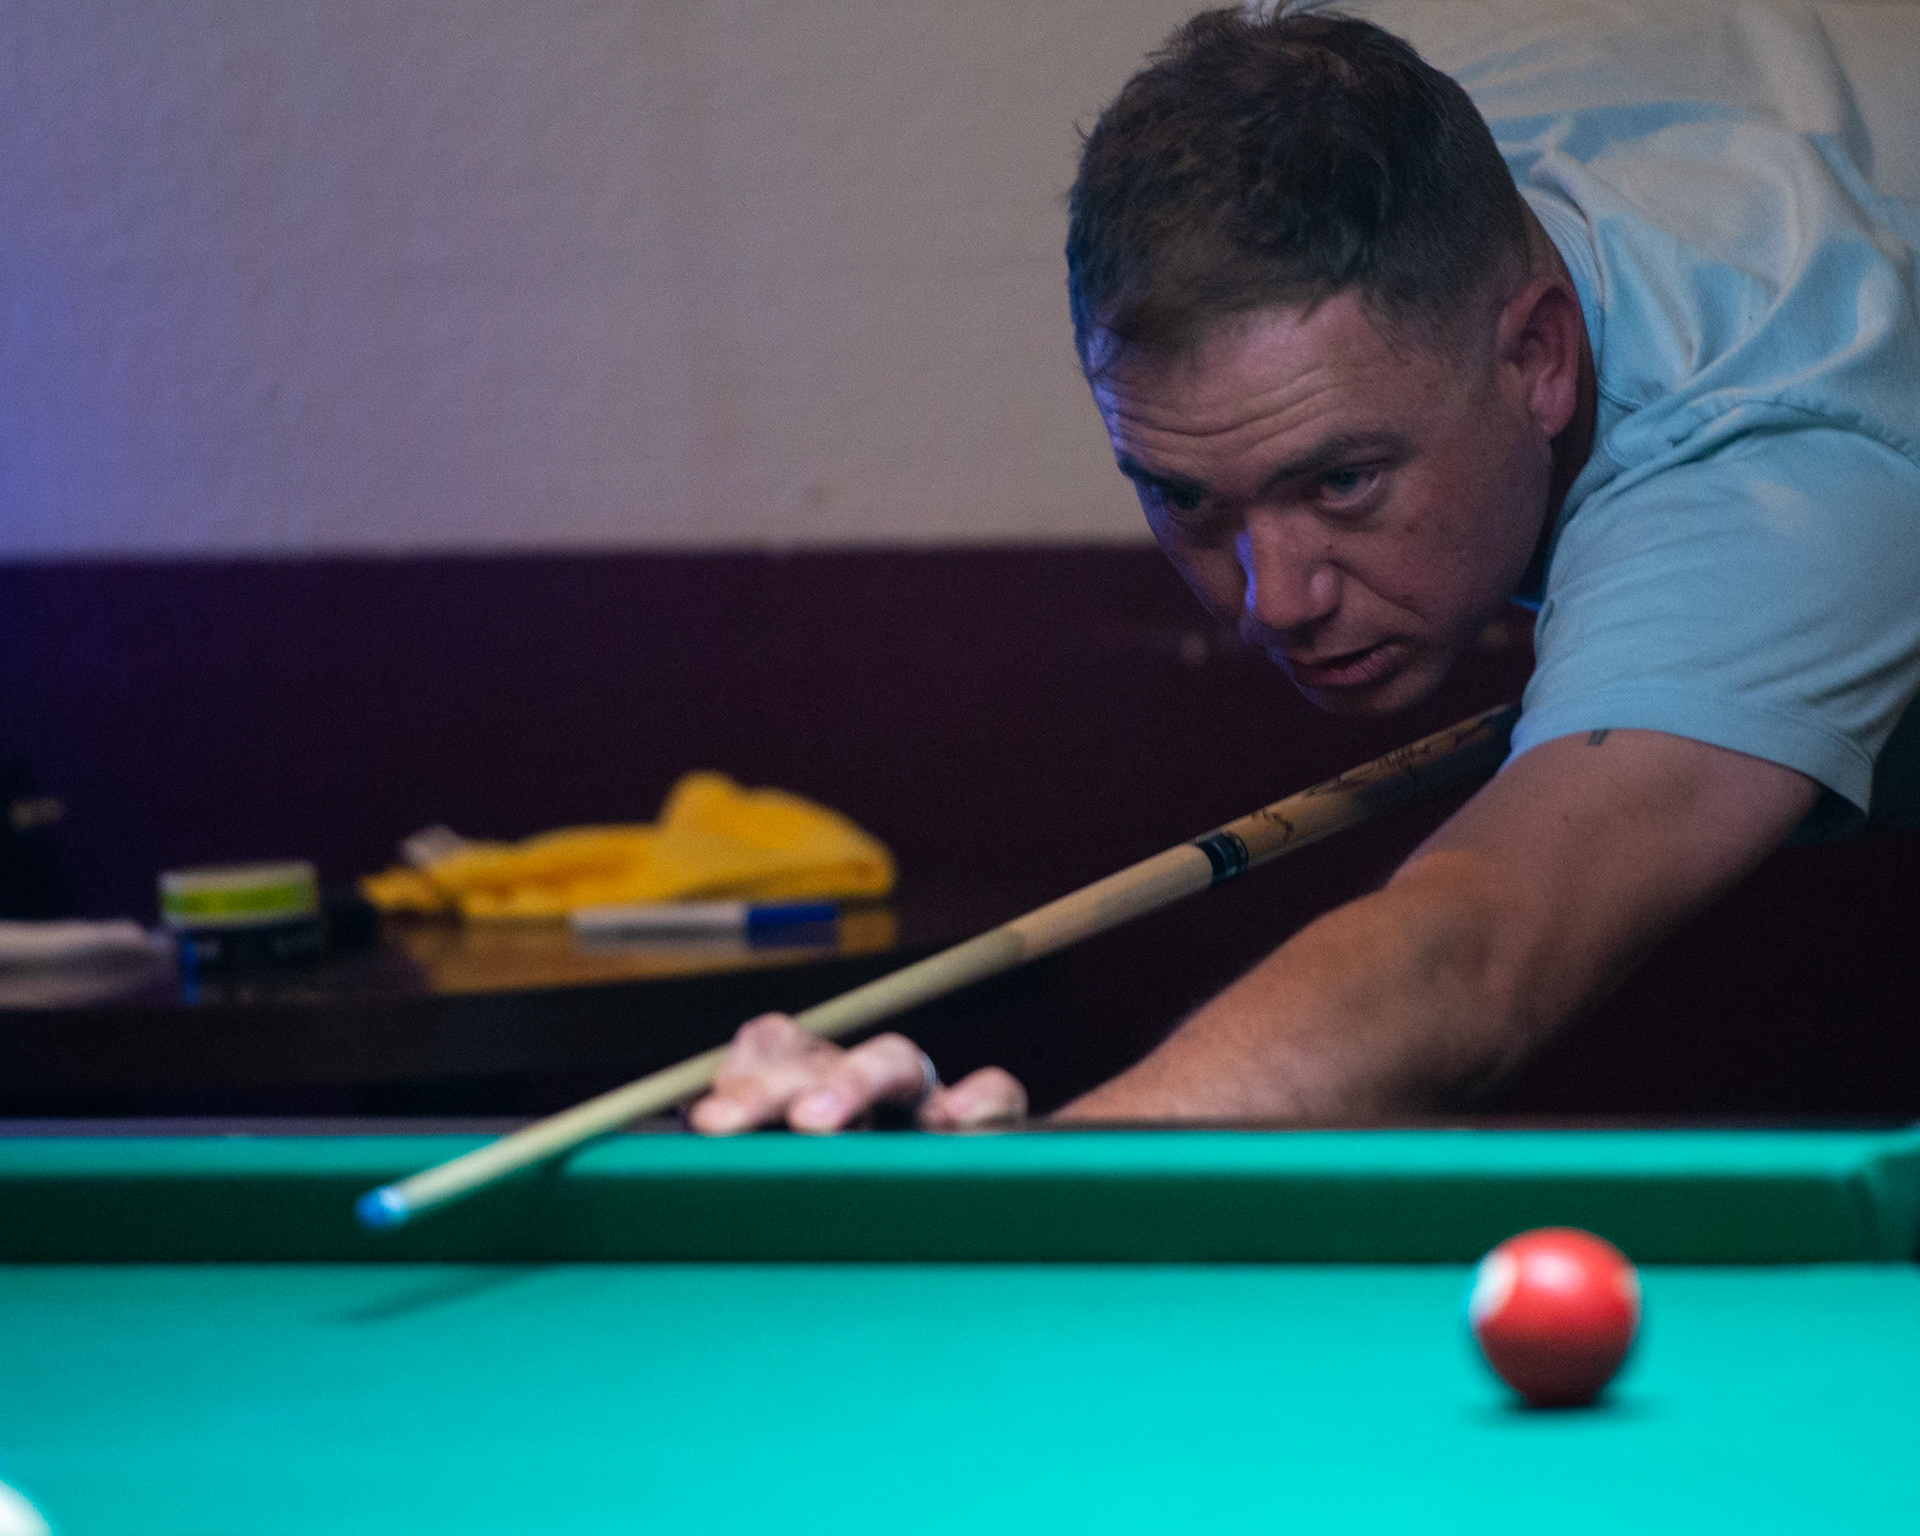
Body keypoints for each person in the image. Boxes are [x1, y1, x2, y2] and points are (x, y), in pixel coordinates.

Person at [688, 0, 1920, 1135]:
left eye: (1342, 482)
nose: (1274, 603)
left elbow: (1476, 951)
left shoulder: (1775, 475)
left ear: (1538, 358)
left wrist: (1013, 1200)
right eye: (1185, 498)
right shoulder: (1412, 163)